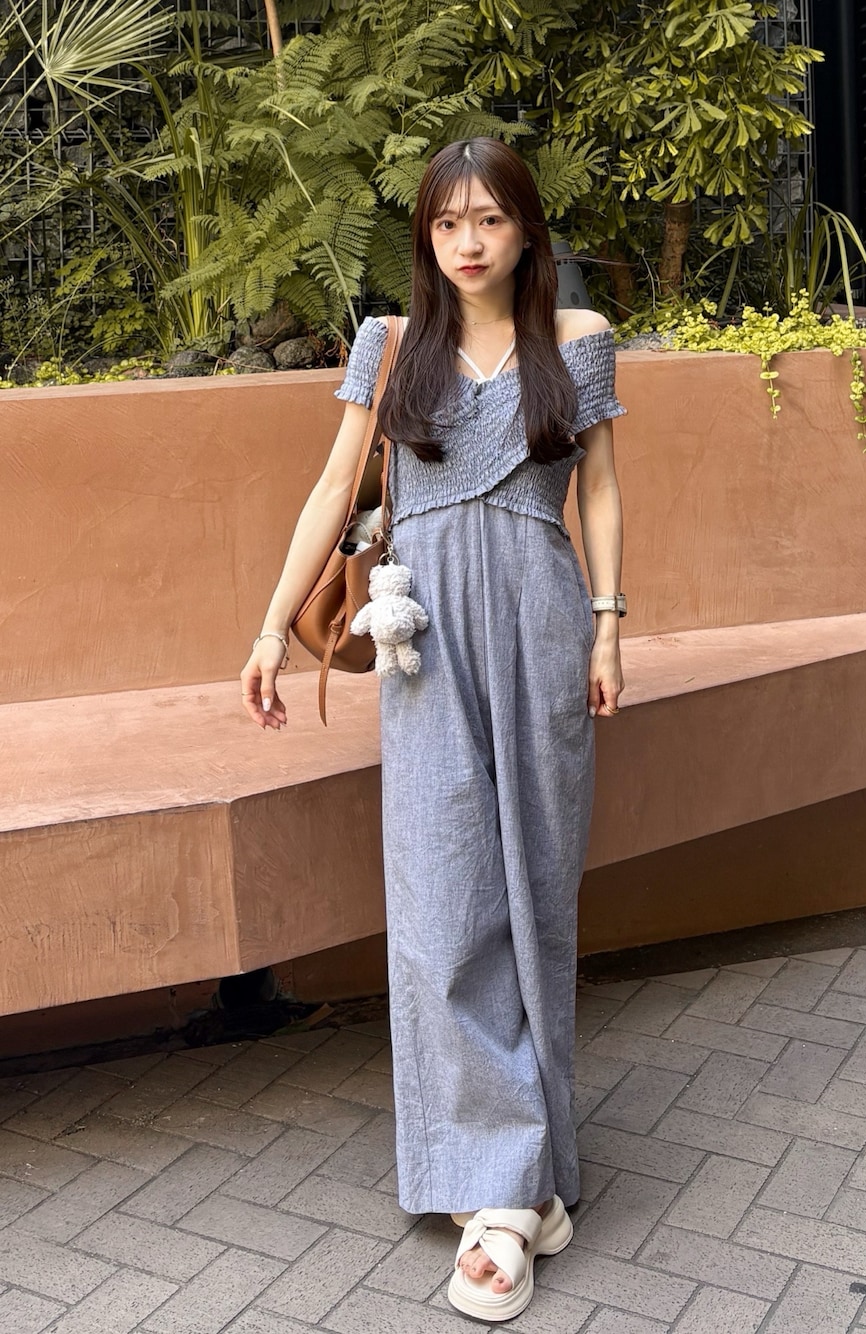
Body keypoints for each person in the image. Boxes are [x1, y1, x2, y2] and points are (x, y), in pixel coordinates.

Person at [240, 137, 626, 1323]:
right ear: (425, 235)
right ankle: (507, 1189)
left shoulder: (578, 339)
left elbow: (601, 487)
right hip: (425, 640)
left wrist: (609, 625)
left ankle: (514, 1181)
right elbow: (334, 485)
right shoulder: (389, 341)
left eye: (490, 220)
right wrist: (271, 627)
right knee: (445, 902)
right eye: (447, 222)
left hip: (544, 619)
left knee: (534, 894)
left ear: (525, 231)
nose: (468, 241)